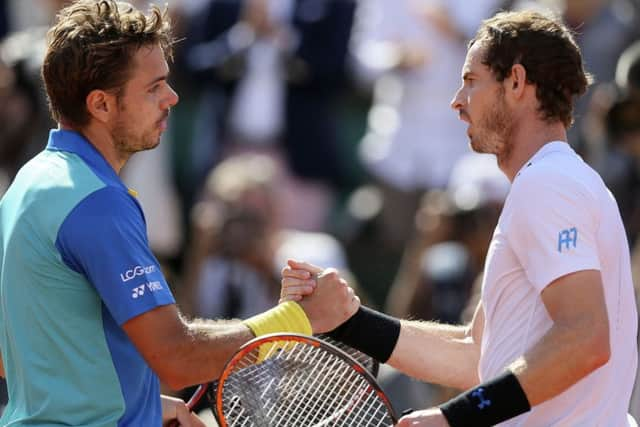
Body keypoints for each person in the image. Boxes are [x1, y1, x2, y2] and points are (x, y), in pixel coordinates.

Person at [0, 1, 359, 426]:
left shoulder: (31, 182)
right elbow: (177, 357)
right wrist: (297, 319)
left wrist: (140, 405)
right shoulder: (96, 201)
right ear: (101, 104)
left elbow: (15, 353)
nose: (171, 98)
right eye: (153, 88)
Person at [282, 9, 638, 427]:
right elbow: (477, 354)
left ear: (517, 82)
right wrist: (351, 321)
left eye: (471, 81)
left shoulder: (549, 183)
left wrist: (456, 417)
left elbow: (584, 336)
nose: (457, 100)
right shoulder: (551, 181)